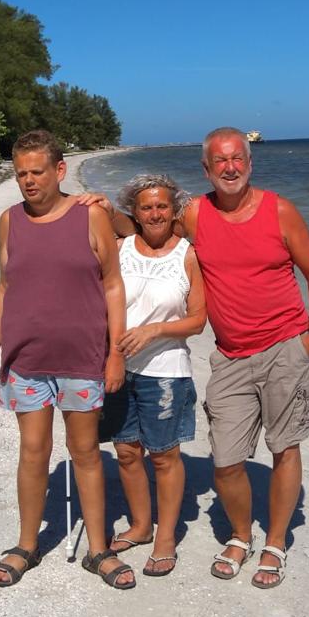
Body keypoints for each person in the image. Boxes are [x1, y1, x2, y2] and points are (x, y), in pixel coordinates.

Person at [89, 126, 309, 589]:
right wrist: (102, 207)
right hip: (230, 355)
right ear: (206, 169)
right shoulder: (197, 214)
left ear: (250, 162)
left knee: (285, 448)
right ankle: (240, 535)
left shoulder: (280, 211)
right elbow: (147, 227)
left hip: (286, 347)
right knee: (226, 461)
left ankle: (275, 544)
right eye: (220, 161)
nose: (230, 167)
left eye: (237, 158)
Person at [0, 130, 135, 590]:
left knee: (85, 452)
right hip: (25, 359)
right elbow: (5, 288)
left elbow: (113, 285)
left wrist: (115, 353)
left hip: (82, 359)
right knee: (33, 451)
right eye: (21, 174)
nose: (29, 181)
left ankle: (98, 549)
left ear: (60, 170)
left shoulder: (90, 216)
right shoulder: (9, 220)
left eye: (37, 172)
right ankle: (26, 545)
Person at [102, 174, 206, 578]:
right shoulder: (120, 248)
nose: (155, 213)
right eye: (146, 207)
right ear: (135, 212)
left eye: (162, 206)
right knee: (127, 451)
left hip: (166, 371)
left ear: (174, 210)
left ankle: (166, 537)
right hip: (119, 366)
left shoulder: (187, 255)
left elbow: (198, 320)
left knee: (164, 455)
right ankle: (141, 525)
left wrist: (155, 330)